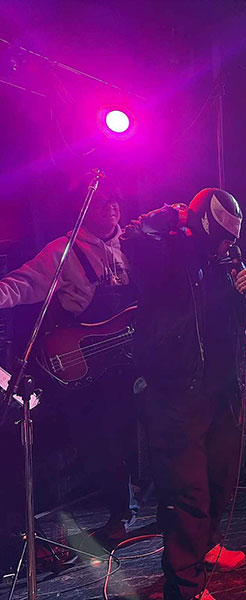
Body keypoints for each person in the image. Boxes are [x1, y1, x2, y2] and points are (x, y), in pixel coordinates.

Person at [121, 188, 246, 600]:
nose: (229, 245)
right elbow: (132, 236)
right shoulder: (165, 256)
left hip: (221, 389)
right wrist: (173, 213)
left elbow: (242, 317)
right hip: (176, 393)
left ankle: (208, 543)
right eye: (223, 237)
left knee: (220, 479)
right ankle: (185, 587)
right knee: (187, 493)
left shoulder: (225, 262)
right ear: (204, 228)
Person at [0, 188, 138, 546]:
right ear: (84, 209)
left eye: (115, 199)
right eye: (102, 201)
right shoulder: (64, 250)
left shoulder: (134, 243)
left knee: (139, 432)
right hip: (87, 362)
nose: (111, 206)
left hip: (131, 357)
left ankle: (150, 503)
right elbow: (25, 282)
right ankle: (119, 513)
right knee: (99, 440)